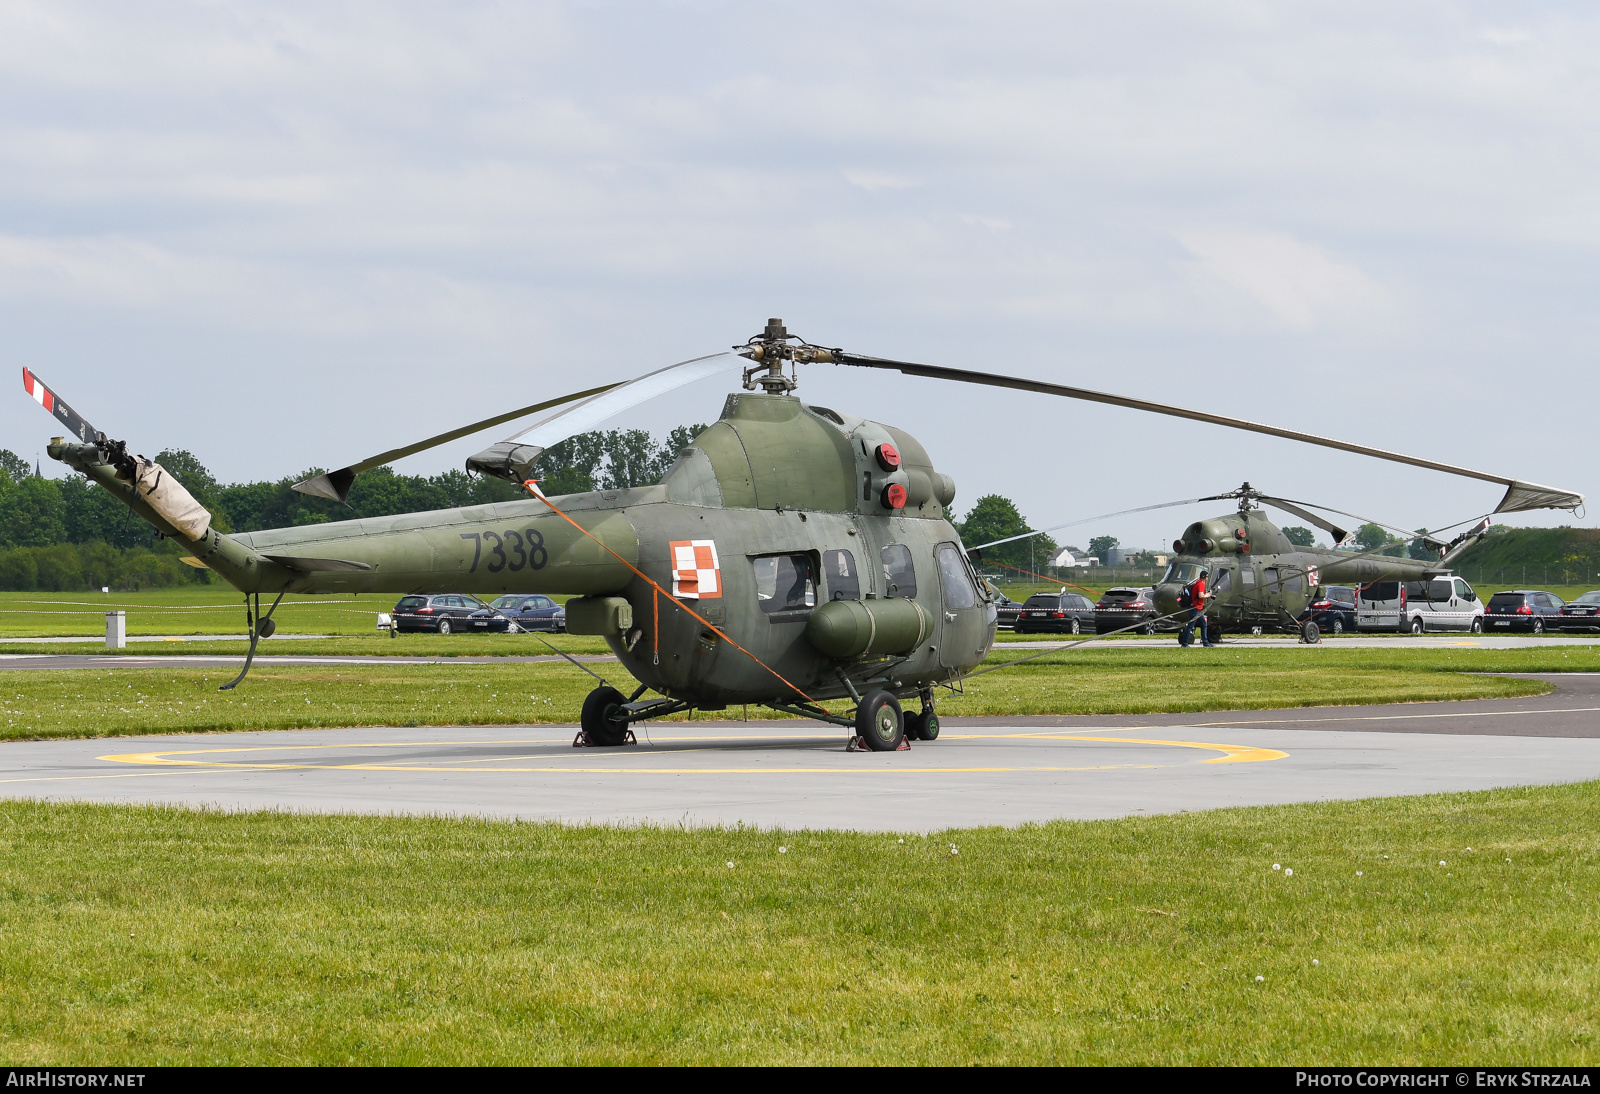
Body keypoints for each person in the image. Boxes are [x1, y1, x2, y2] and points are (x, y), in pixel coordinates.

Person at [1179, 568, 1215, 647]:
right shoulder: (1201, 584)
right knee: (1191, 626)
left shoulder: (1197, 583)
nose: (1207, 578)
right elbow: (1200, 596)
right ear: (1205, 577)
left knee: (1203, 624)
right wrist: (1208, 595)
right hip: (1196, 608)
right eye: (1207, 577)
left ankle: (1205, 643)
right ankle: (1185, 644)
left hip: (1196, 608)